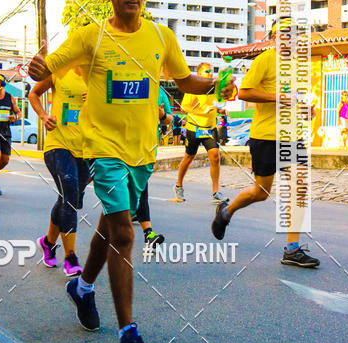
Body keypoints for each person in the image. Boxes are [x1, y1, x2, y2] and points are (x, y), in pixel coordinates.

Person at [28, 0, 234, 343]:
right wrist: (37, 67)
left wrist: (218, 84)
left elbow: (185, 80)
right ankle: (128, 336)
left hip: (142, 151)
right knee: (124, 233)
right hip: (101, 148)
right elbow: (45, 67)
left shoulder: (161, 36)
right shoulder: (90, 37)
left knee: (109, 227)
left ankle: (83, 288)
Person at [211, 18, 319, 268]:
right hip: (265, 137)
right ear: (274, 37)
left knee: (299, 186)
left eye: (293, 34)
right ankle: (226, 212)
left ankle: (292, 249)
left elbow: (296, 99)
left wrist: (306, 110)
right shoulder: (265, 60)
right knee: (261, 193)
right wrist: (279, 98)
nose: (289, 39)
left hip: (292, 137)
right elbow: (245, 92)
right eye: (283, 34)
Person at [29, 67, 89, 276]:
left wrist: (98, 99)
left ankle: (48, 242)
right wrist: (44, 115)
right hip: (58, 143)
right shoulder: (59, 71)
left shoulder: (100, 73)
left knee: (69, 198)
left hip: (88, 148)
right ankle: (70, 257)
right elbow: (33, 93)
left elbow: (115, 106)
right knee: (70, 191)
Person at [175, 62, 228, 203]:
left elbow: (215, 106)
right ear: (199, 74)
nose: (210, 74)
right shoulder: (194, 88)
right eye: (206, 71)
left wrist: (221, 110)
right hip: (194, 128)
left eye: (211, 71)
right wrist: (201, 111)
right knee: (189, 157)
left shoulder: (215, 88)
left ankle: (216, 192)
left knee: (215, 157)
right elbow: (184, 106)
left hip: (210, 128)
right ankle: (179, 185)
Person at [133, 85, 173, 248]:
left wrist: (162, 114)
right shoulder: (126, 80)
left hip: (146, 148)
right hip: (120, 146)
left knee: (142, 189)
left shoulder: (159, 91)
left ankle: (148, 233)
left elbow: (169, 119)